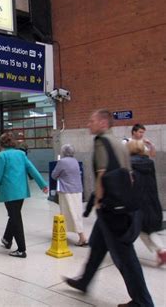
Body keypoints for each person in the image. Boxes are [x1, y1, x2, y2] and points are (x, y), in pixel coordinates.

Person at [65, 109, 153, 307]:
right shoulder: (121, 143)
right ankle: (84, 281)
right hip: (121, 205)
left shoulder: (101, 142)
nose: (89, 124)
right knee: (97, 245)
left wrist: (98, 203)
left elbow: (101, 175)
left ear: (104, 123)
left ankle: (143, 302)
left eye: (92, 121)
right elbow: (129, 175)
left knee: (125, 257)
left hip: (110, 209)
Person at [0, 132, 48, 258]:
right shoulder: (21, 154)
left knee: (15, 218)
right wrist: (43, 184)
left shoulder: (1, 156)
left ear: (1, 144)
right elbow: (32, 169)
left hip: (8, 192)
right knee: (14, 215)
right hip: (21, 191)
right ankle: (6, 239)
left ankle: (21, 249)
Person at [127, 139, 165, 266]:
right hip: (151, 199)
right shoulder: (149, 163)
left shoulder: (129, 164)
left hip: (138, 201)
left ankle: (161, 250)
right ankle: (161, 250)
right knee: (148, 228)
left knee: (141, 229)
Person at [51, 144, 87, 246]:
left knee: (71, 213)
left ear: (63, 152)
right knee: (76, 212)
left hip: (67, 191)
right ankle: (76, 235)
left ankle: (82, 237)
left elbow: (54, 175)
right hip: (78, 190)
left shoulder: (62, 162)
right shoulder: (75, 161)